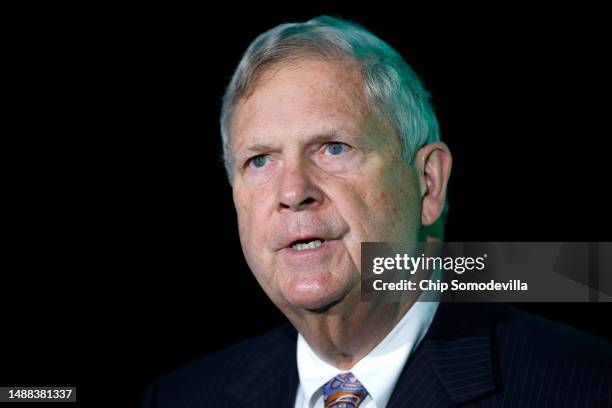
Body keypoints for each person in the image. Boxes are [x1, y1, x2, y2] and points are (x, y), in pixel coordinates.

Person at [143, 16, 611, 407]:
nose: (292, 191)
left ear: (428, 183)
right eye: (259, 160)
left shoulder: (586, 385)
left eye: (333, 149)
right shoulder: (180, 397)